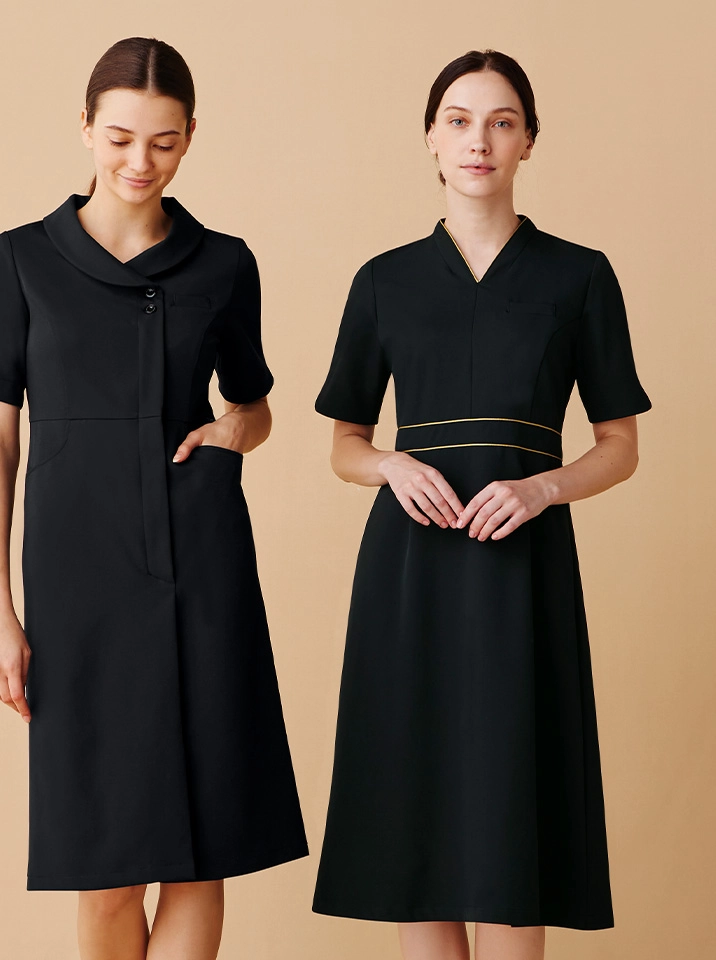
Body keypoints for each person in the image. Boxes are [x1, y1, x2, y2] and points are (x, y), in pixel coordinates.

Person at [312, 49, 652, 960]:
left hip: (521, 573)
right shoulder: (383, 280)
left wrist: (543, 487)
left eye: (502, 122)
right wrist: (390, 466)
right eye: (459, 121)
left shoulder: (579, 276)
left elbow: (620, 445)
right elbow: (344, 444)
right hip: (410, 575)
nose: (480, 141)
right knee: (415, 813)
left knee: (511, 813)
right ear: (430, 138)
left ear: (529, 141)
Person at [0, 37, 308, 960]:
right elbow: (1, 439)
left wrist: (230, 434)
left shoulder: (225, 263)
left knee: (202, 856)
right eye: (121, 139)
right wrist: (1, 612)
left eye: (165, 143)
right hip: (78, 582)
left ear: (191, 137)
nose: (141, 162)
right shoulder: (19, 261)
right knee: (104, 866)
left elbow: (254, 407)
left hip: (202, 566)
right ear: (85, 127)